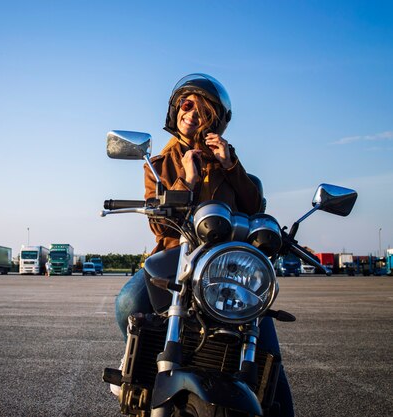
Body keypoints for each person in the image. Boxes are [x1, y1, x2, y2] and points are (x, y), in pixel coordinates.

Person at [112, 73, 294, 416]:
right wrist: (188, 179)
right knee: (127, 303)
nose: (190, 111)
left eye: (201, 107)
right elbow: (156, 222)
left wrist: (230, 165)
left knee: (269, 350)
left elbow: (255, 208)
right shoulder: (160, 165)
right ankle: (146, 376)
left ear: (215, 119)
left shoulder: (232, 165)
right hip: (176, 257)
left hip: (227, 266)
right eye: (186, 103)